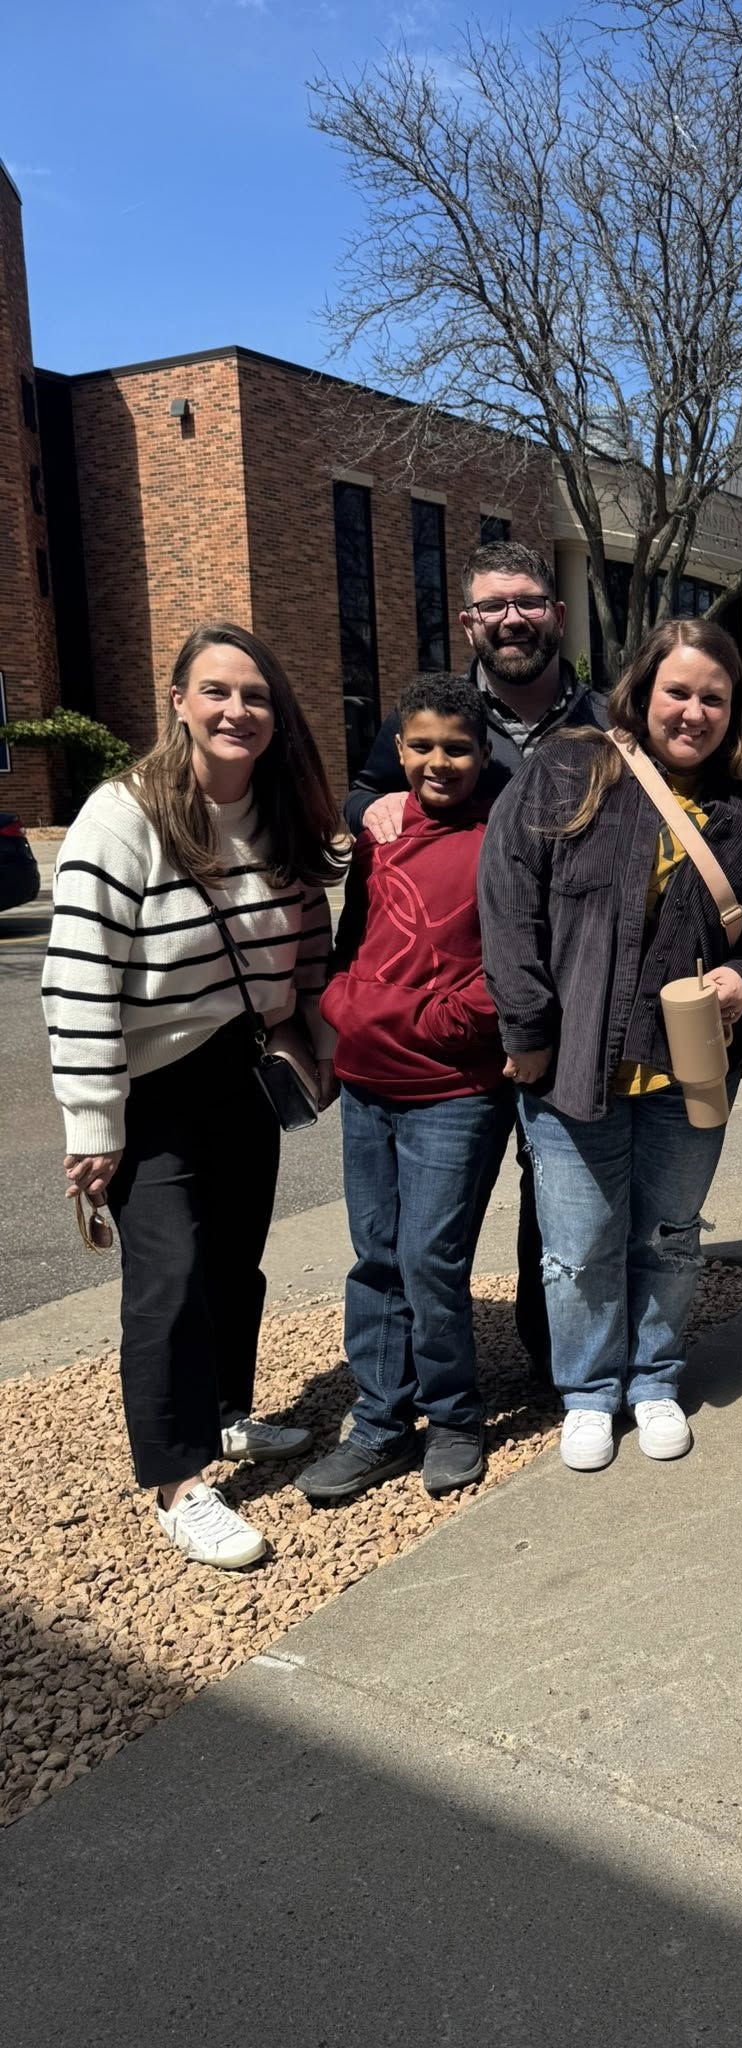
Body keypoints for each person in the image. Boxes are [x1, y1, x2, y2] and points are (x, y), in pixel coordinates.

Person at [43, 623, 344, 1568]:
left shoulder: (278, 809)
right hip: (149, 1083)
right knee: (167, 1278)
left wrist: (315, 1038)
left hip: (240, 1068)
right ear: (178, 701)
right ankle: (177, 1480)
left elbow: (307, 941)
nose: (236, 711)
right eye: (215, 691)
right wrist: (94, 1123)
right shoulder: (120, 816)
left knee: (232, 1263)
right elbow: (78, 977)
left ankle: (222, 1413)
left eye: (255, 696)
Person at [478, 618, 742, 1473]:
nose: (693, 712)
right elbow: (508, 903)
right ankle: (587, 1391)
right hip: (574, 1066)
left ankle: (653, 1379)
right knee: (579, 1246)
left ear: (735, 708)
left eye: (713, 698)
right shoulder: (568, 770)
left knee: (670, 1236)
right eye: (677, 692)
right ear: (643, 691)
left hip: (690, 1072)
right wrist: (527, 1029)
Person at [345, 541, 609, 1385]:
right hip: (461, 1022)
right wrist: (374, 805)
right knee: (424, 1232)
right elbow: (364, 795)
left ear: (556, 614)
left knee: (558, 1198)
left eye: (526, 602)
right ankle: (409, 1391)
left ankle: (553, 1357)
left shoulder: (606, 721)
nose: (511, 619)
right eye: (493, 606)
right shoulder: (437, 717)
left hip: (570, 1008)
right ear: (468, 623)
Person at [298, 673, 515, 1507]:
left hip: (454, 1087)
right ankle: (380, 1422)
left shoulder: (503, 838)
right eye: (421, 746)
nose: (438, 762)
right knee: (377, 1256)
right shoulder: (381, 834)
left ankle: (455, 1415)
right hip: (367, 1084)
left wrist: (441, 1021)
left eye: (457, 748)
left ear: (484, 753)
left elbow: (519, 965)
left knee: (431, 1258)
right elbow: (354, 936)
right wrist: (342, 1004)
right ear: (398, 750)